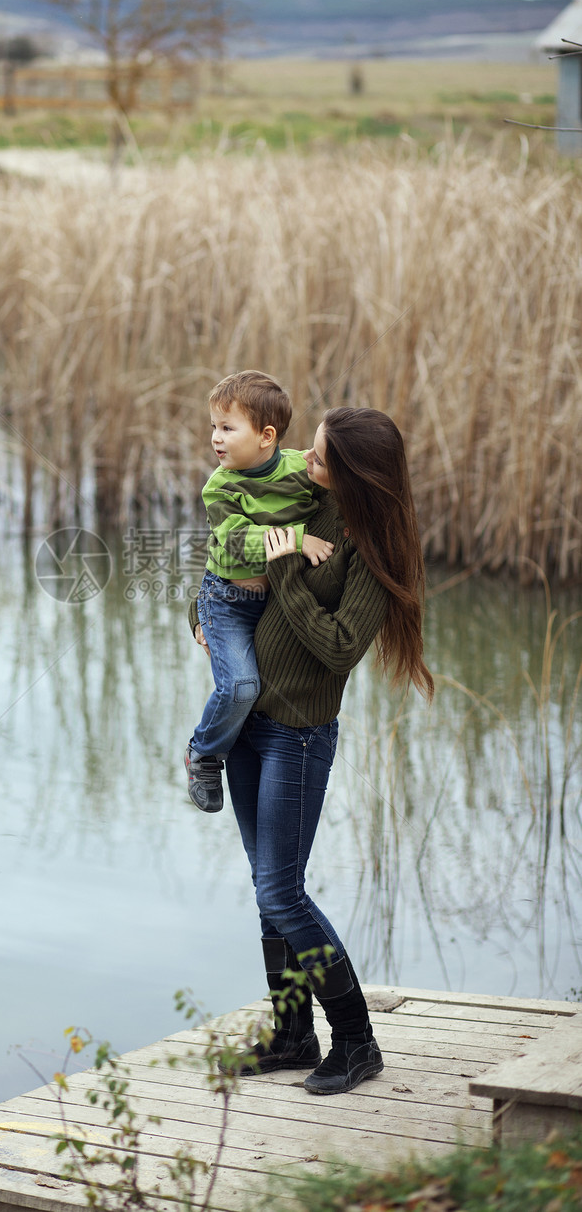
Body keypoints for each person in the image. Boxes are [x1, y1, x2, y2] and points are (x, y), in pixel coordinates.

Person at [190, 406, 434, 1095]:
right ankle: (292, 1035)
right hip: (245, 728)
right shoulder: (306, 499)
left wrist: (287, 567)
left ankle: (356, 1041)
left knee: (282, 891)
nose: (306, 462)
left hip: (297, 733)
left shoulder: (375, 549)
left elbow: (336, 645)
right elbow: (229, 563)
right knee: (269, 894)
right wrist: (200, 616)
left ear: (355, 474)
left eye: (322, 458)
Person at [185, 371, 335, 815]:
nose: (216, 438)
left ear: (267, 436)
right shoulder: (222, 486)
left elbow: (329, 494)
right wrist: (297, 539)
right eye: (214, 426)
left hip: (274, 602)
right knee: (243, 687)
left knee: (266, 692)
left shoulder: (297, 469)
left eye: (228, 428)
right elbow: (232, 543)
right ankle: (203, 753)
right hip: (228, 602)